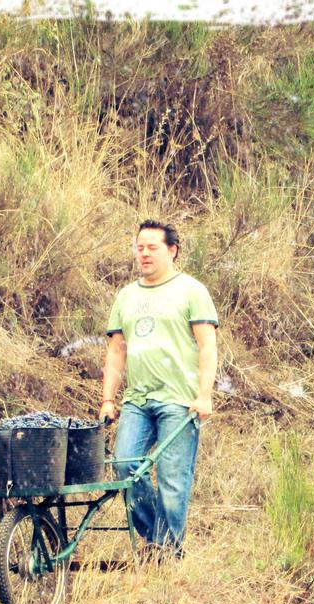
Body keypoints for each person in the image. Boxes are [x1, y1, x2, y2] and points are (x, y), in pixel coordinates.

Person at [99, 220, 218, 557]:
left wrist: (204, 395)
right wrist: (108, 398)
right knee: (125, 466)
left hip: (179, 401)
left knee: (172, 479)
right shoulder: (126, 296)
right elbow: (116, 350)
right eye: (140, 247)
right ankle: (159, 539)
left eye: (153, 247)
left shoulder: (192, 291)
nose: (145, 253)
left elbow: (207, 345)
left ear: (172, 251)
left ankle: (165, 553)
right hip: (138, 400)